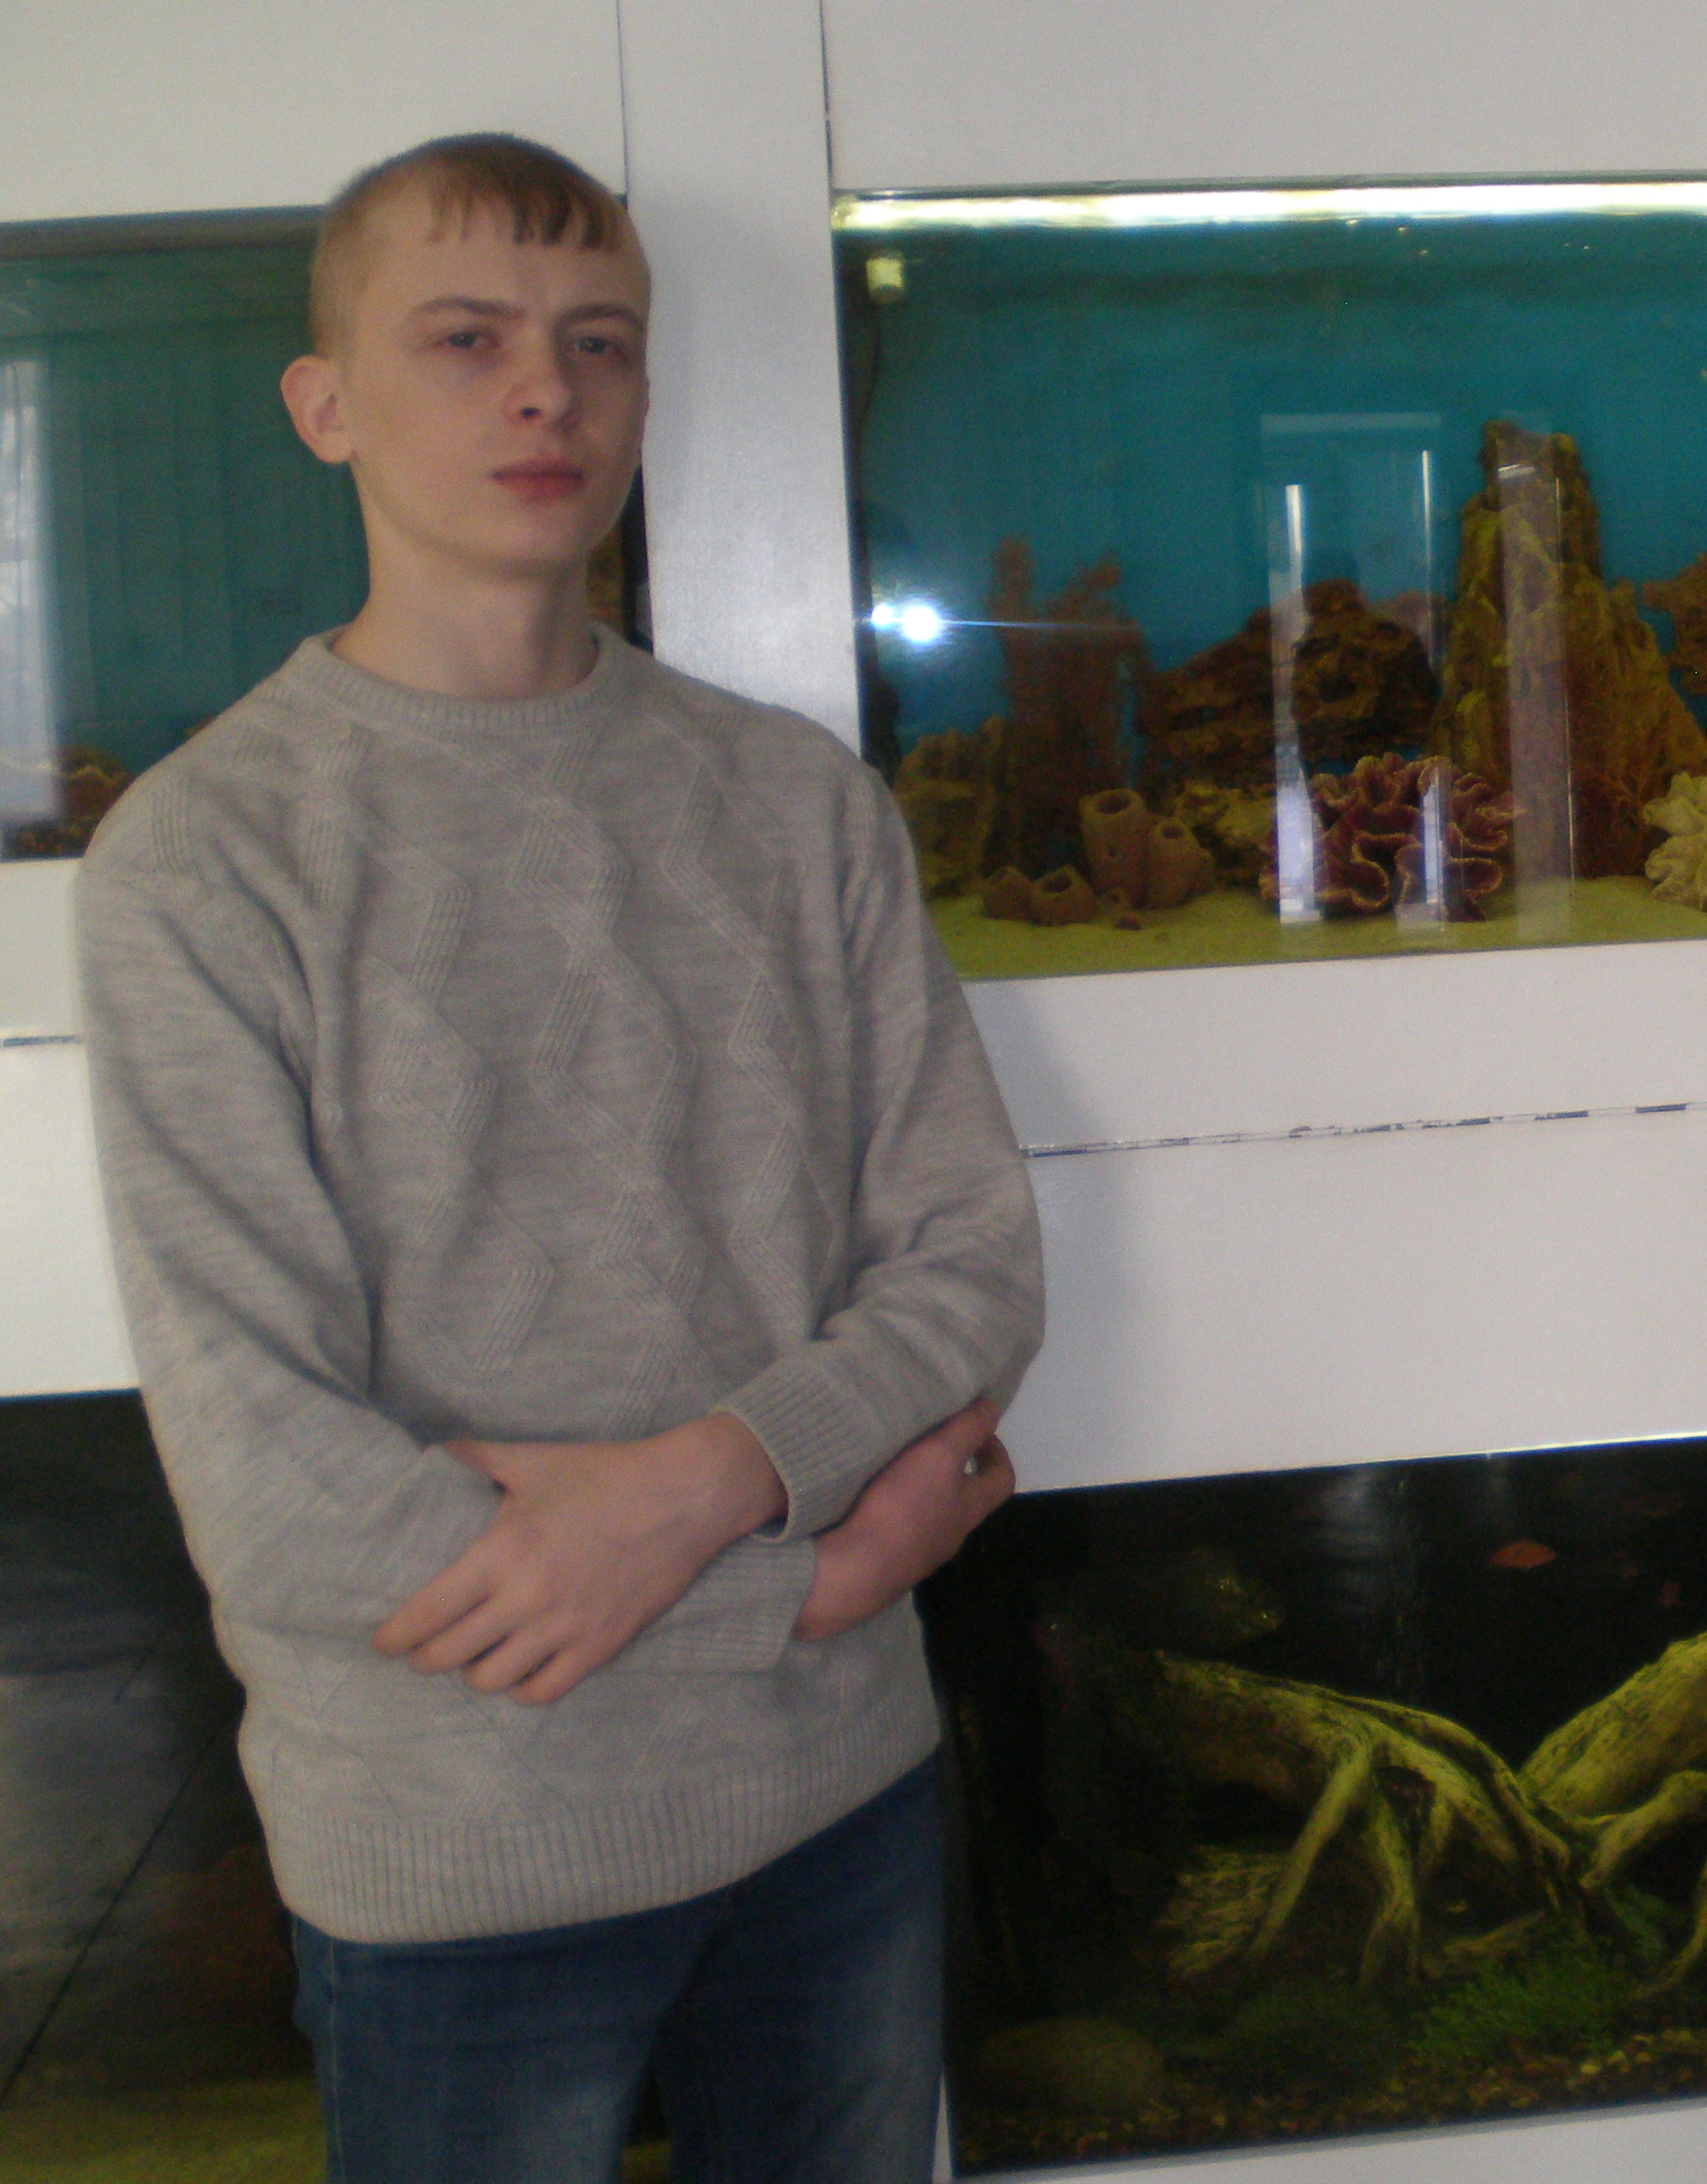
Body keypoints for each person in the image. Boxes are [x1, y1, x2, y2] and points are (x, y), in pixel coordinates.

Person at [75, 134, 1045, 2183]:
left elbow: (970, 1260)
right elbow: (267, 1474)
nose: (546, 392)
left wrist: (703, 1488)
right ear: (324, 405)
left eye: (599, 342)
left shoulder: (798, 804)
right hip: (460, 1860)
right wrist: (819, 1571)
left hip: (843, 1809)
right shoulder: (204, 856)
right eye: (468, 339)